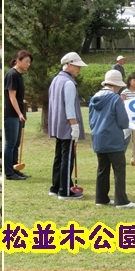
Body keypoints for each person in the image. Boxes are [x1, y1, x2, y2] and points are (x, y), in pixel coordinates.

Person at [89, 70, 135, 208]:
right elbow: (123, 121)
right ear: (116, 85)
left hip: (98, 137)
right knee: (119, 169)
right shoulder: (115, 98)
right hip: (113, 137)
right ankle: (121, 200)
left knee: (102, 168)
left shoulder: (94, 98)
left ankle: (101, 198)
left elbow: (91, 120)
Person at [48, 51, 87, 200]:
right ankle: (65, 191)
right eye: (77, 66)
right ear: (69, 64)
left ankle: (55, 186)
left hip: (58, 124)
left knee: (59, 156)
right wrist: (74, 125)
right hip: (67, 125)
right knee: (67, 157)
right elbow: (69, 107)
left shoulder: (56, 80)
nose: (79, 69)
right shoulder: (69, 82)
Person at [4, 50, 32, 181]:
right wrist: (19, 113)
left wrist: (23, 105)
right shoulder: (12, 75)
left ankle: (15, 169)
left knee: (16, 144)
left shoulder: (19, 75)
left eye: (29, 62)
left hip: (18, 113)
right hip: (11, 114)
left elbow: (19, 97)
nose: (28, 64)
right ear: (18, 60)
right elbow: (11, 97)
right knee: (10, 143)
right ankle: (9, 173)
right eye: (26, 61)